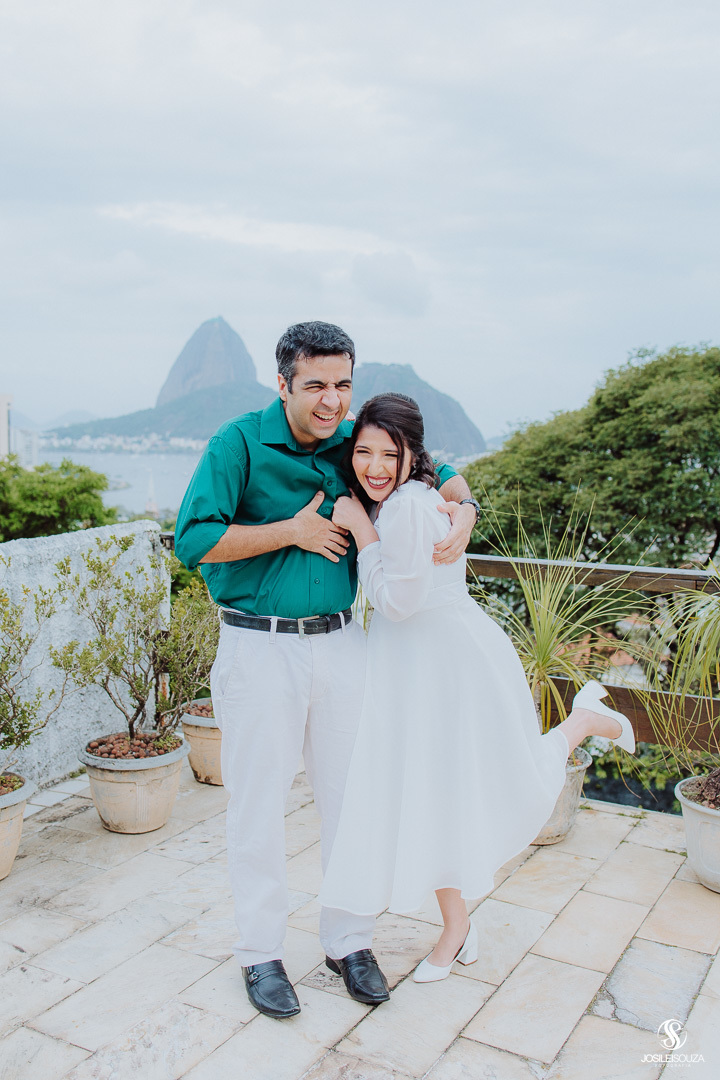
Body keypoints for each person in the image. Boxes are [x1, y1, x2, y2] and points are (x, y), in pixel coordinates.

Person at [174, 323, 478, 1018]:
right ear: (283, 383)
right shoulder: (238, 444)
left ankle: (349, 940)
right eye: (315, 385)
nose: (331, 399)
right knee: (258, 806)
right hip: (259, 648)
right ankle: (259, 952)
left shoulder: (353, 439)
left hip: (344, 644)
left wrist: (465, 508)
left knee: (352, 800)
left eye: (342, 384)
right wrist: (293, 530)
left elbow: (434, 464)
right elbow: (194, 539)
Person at [319, 392, 636, 981]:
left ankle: (586, 721)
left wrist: (362, 534)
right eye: (363, 453)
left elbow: (397, 602)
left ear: (414, 455)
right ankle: (458, 924)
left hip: (443, 666)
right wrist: (422, 514)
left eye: (390, 454)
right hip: (420, 667)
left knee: (481, 784)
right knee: (435, 796)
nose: (374, 467)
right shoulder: (412, 500)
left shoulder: (407, 509)